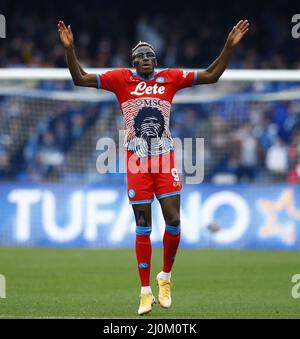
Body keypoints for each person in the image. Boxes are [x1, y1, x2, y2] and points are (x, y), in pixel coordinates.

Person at [57, 19, 249, 315]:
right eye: (140, 57)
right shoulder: (120, 79)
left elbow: (211, 75)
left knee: (173, 220)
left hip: (165, 157)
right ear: (132, 62)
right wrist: (70, 50)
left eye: (150, 57)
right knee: (143, 225)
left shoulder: (170, 78)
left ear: (156, 61)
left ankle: (166, 278)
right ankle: (145, 290)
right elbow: (80, 78)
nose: (146, 60)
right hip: (136, 161)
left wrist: (229, 47)